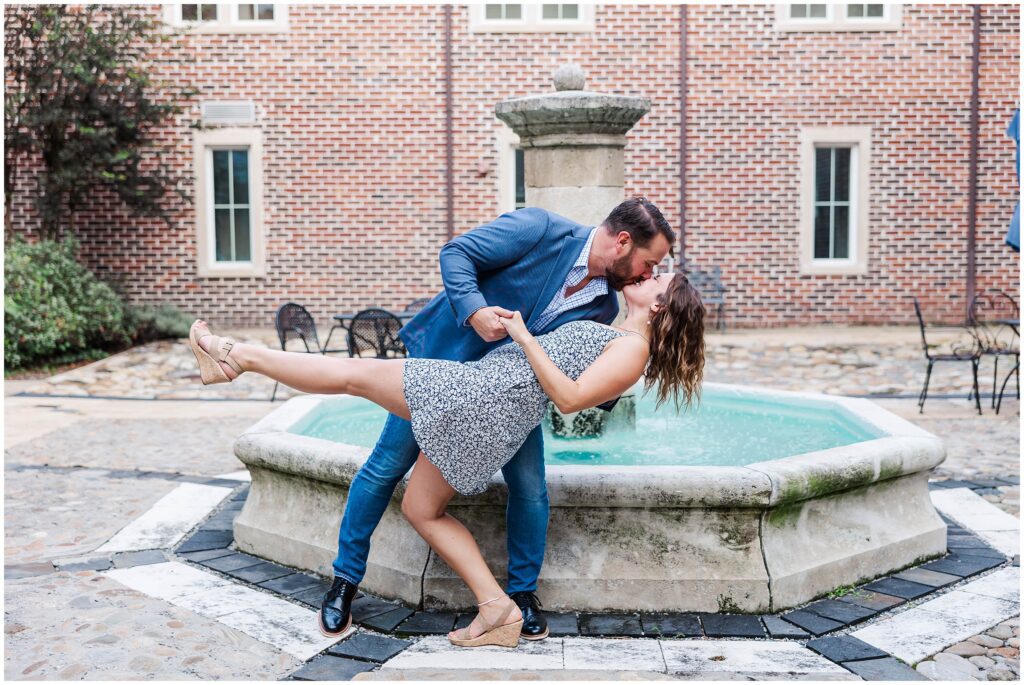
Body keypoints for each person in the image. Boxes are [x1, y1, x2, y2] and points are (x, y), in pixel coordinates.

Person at [187, 268, 706, 647]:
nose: (648, 273)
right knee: (420, 508)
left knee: (353, 375)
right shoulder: (617, 329)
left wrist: (526, 339)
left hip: (482, 396)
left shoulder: (634, 350)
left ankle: (236, 358)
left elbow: (570, 399)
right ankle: (496, 606)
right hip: (487, 400)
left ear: (660, 305)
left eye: (659, 277)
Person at [314, 198, 677, 642]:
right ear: (623, 242)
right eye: (648, 263)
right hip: (442, 370)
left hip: (509, 403)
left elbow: (581, 373)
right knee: (385, 467)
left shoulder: (605, 306)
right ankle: (344, 582)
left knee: (530, 487)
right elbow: (457, 253)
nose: (646, 274)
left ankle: (521, 595)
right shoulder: (541, 228)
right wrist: (475, 309)